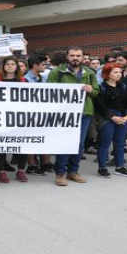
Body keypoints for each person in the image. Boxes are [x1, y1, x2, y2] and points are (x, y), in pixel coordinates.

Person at [47, 47, 98, 187]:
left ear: (82, 57)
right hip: (64, 114)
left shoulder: (89, 73)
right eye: (72, 55)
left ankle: (73, 172)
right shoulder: (57, 72)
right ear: (67, 57)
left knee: (79, 144)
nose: (75, 58)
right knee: (64, 143)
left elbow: (97, 92)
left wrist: (91, 90)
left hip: (84, 113)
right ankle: (60, 174)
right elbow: (48, 92)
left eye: (78, 55)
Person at [94, 63, 127, 177]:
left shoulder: (123, 87)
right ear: (107, 74)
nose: (119, 74)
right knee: (104, 143)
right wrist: (112, 117)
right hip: (106, 117)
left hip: (122, 117)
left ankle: (119, 166)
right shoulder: (101, 87)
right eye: (115, 72)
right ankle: (102, 167)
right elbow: (100, 106)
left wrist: (126, 116)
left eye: (120, 72)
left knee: (120, 143)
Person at [0, 56, 28, 183]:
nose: (10, 66)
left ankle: (21, 170)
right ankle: (1, 171)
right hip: (1, 117)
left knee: (22, 144)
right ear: (3, 66)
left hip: (19, 117)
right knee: (0, 145)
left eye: (12, 64)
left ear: (17, 67)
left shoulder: (23, 81)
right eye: (7, 64)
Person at [23, 54, 53, 175]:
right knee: (31, 139)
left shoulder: (43, 78)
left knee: (45, 137)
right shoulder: (25, 79)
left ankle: (45, 163)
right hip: (30, 114)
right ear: (35, 65)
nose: (45, 66)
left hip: (43, 113)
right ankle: (32, 165)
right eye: (43, 64)